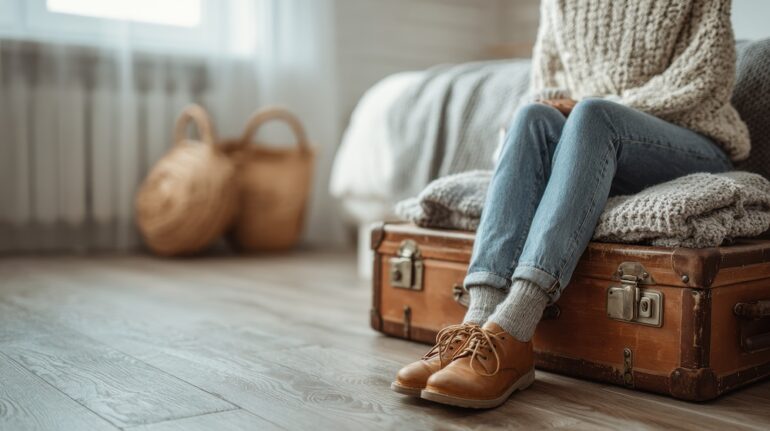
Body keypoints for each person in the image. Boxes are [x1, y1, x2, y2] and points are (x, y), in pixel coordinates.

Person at [392, 0, 749, 409]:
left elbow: (702, 79)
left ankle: (517, 323)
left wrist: (591, 107)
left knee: (595, 113)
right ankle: (479, 323)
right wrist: (562, 108)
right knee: (532, 117)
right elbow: (547, 84)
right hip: (595, 142)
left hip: (688, 139)